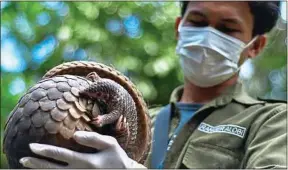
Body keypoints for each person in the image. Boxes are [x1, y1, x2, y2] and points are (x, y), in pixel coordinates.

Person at [19, 1, 287, 169]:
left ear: (256, 46)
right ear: (179, 27)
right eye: (197, 22)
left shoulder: (272, 122)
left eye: (228, 29)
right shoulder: (143, 123)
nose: (208, 35)